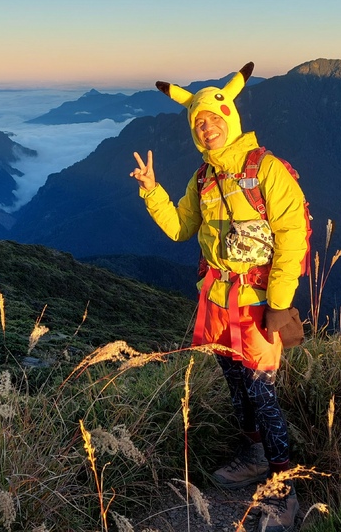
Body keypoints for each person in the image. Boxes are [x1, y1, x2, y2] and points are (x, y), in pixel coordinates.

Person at [129, 62, 311, 532]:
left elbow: (292, 235)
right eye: (198, 122)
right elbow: (180, 228)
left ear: (230, 115)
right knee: (235, 384)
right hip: (215, 301)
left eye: (213, 117)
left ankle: (284, 488)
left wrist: (280, 303)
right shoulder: (203, 179)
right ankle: (253, 456)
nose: (206, 126)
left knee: (261, 391)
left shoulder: (266, 169)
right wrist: (152, 191)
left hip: (256, 303)